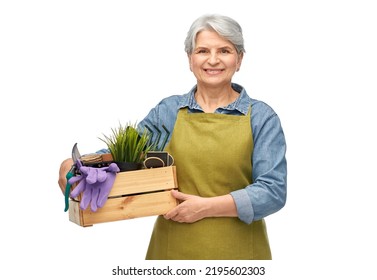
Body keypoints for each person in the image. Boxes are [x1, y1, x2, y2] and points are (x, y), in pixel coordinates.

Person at [58, 14, 287, 260]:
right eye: (202, 51)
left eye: (224, 50)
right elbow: (126, 156)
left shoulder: (261, 117)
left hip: (240, 256)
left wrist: (206, 208)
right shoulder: (168, 112)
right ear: (190, 59)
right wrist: (78, 164)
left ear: (239, 59)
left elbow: (273, 191)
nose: (213, 60)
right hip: (172, 253)